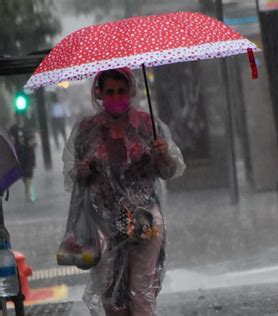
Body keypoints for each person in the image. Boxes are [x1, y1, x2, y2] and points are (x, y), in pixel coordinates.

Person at [62, 68, 185, 315]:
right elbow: (74, 175)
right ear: (99, 93)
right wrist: (82, 170)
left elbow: (169, 171)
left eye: (121, 91)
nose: (116, 97)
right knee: (112, 298)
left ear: (131, 91)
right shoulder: (87, 130)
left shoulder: (148, 125)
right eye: (110, 92)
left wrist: (164, 155)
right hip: (103, 225)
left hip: (144, 220)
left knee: (141, 294)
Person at [9, 112, 37, 201]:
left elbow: (35, 138)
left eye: (19, 117)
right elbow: (10, 140)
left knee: (29, 172)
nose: (18, 118)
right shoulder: (13, 129)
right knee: (23, 174)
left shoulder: (29, 126)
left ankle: (28, 190)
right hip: (19, 155)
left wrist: (32, 142)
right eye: (16, 117)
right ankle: (27, 187)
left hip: (29, 154)